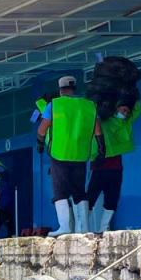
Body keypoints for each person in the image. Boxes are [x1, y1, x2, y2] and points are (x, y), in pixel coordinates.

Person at [36, 75, 96, 236]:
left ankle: (65, 227)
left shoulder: (54, 105)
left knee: (60, 191)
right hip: (80, 155)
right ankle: (84, 228)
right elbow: (97, 129)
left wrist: (40, 143)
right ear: (74, 88)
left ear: (60, 90)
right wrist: (101, 144)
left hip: (59, 154)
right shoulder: (88, 105)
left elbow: (42, 129)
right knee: (79, 191)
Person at [87, 101, 141, 232]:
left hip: (115, 166)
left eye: (127, 111)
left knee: (112, 198)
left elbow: (137, 110)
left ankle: (104, 227)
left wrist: (133, 97)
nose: (125, 113)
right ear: (116, 109)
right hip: (99, 164)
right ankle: (82, 226)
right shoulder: (102, 121)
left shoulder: (125, 122)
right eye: (123, 110)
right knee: (90, 197)